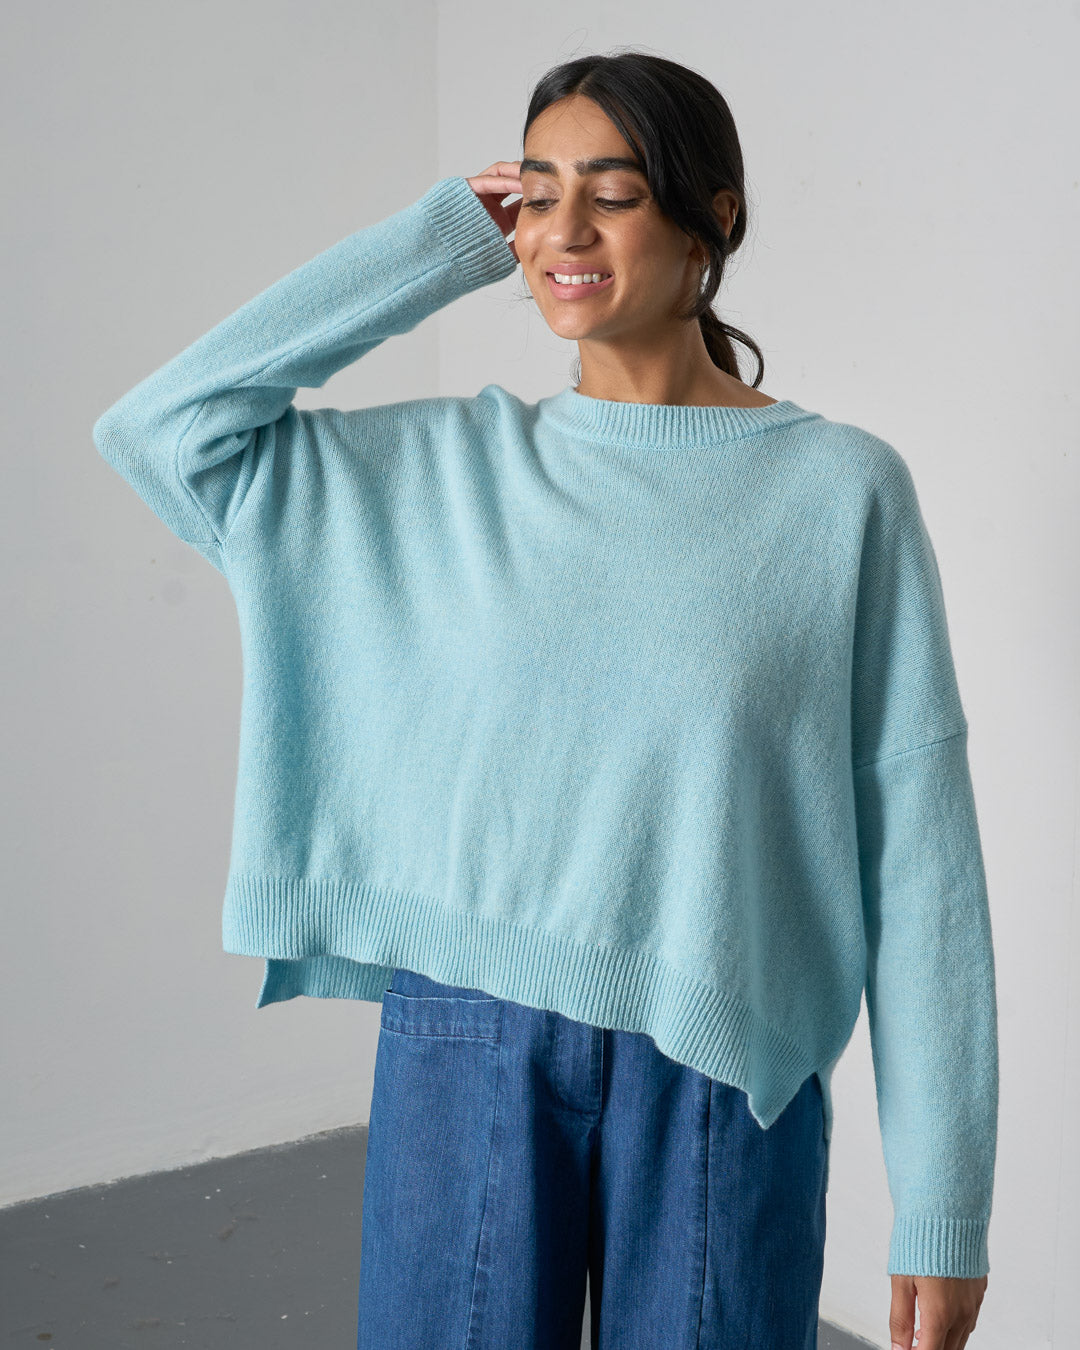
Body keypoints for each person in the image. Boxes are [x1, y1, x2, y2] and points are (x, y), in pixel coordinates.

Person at [92, 50, 997, 1350]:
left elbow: (920, 854)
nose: (564, 230)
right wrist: (441, 242)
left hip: (719, 1062)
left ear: (714, 217)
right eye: (538, 193)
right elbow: (162, 433)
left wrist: (944, 1203)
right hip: (467, 1028)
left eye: (612, 194)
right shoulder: (451, 469)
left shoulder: (842, 492)